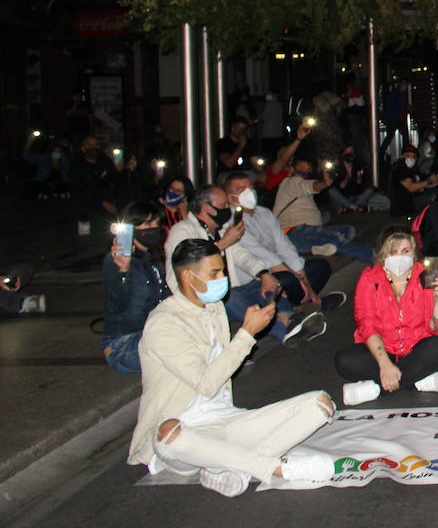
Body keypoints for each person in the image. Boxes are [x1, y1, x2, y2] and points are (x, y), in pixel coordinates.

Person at [128, 238, 336, 497]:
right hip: (185, 432)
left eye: (222, 271)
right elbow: (206, 383)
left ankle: (233, 469)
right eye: (214, 273)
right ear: (188, 276)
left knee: (320, 404)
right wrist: (247, 333)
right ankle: (271, 467)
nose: (221, 278)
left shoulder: (213, 307)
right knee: (170, 434)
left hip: (223, 420)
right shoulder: (164, 324)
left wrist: (250, 332)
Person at [169, 185, 324, 346]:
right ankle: (284, 332)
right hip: (205, 296)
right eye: (223, 206)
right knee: (229, 297)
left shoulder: (219, 230)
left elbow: (242, 256)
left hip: (235, 287)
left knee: (271, 282)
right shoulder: (182, 231)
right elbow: (182, 268)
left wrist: (263, 274)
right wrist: (222, 244)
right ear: (206, 207)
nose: (227, 209)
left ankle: (290, 320)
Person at [335, 229, 438, 404]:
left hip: (416, 349)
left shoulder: (428, 273)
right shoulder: (370, 278)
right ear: (384, 255)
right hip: (383, 350)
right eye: (393, 252)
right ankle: (416, 380)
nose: (399, 257)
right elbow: (366, 324)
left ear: (414, 252)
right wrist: (384, 364)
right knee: (344, 360)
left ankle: (377, 389)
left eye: (406, 251)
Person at [222, 171, 343, 312]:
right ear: (230, 198)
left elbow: (285, 247)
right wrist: (302, 282)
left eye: (251, 188)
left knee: (320, 266)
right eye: (242, 190)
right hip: (257, 278)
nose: (249, 193)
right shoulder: (232, 222)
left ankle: (300, 303)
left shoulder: (264, 213)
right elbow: (268, 259)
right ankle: (311, 302)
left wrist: (305, 282)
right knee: (286, 279)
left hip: (282, 270)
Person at [102, 202, 171, 371]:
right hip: (122, 345)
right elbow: (117, 303)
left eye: (156, 223)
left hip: (150, 335)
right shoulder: (114, 261)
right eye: (147, 224)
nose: (154, 228)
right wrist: (123, 271)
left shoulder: (153, 260)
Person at [273, 155, 374, 262]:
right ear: (292, 169)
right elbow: (310, 186)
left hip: (307, 232)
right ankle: (372, 255)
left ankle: (313, 248)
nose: (305, 171)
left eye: (308, 168)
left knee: (348, 230)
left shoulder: (300, 189)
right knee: (334, 237)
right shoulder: (291, 182)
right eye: (302, 168)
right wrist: (324, 183)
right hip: (293, 232)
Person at [69, 134, 118, 234]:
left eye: (96, 145)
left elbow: (115, 181)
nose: (93, 148)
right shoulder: (77, 166)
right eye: (90, 145)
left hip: (108, 208)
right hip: (88, 208)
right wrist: (102, 203)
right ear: (83, 148)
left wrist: (122, 170)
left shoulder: (105, 161)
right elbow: (80, 190)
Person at [388, 144, 438, 218]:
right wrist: (430, 180)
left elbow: (425, 185)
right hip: (403, 208)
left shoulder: (415, 169)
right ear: (402, 156)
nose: (410, 159)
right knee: (433, 195)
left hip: (413, 202)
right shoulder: (400, 169)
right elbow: (411, 187)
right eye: (407, 156)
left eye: (413, 157)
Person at [327, 145, 376, 212]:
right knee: (331, 191)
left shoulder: (358, 166)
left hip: (356, 197)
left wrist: (359, 179)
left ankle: (349, 208)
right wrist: (347, 177)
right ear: (342, 154)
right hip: (342, 198)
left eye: (351, 152)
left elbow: (359, 189)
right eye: (347, 152)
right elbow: (340, 188)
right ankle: (356, 208)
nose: (350, 154)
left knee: (371, 189)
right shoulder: (337, 168)